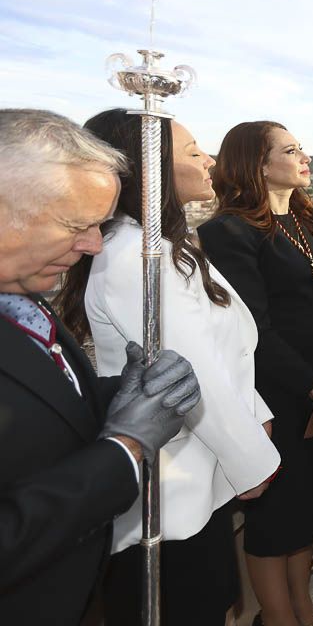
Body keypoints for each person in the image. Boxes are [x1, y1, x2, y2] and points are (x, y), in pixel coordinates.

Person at [56, 110, 281, 625]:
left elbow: (223, 346)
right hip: (168, 491)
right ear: (149, 169)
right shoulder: (132, 257)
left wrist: (255, 410)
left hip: (197, 479)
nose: (209, 160)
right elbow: (189, 366)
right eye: (193, 150)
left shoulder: (160, 247)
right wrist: (253, 459)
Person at [0, 108, 200, 624]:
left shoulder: (25, 291)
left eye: (99, 225)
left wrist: (119, 394)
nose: (93, 244)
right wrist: (124, 449)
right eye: (76, 225)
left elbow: (40, 407)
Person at [199, 121, 313, 626]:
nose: (305, 156)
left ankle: (302, 607)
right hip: (272, 397)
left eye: (302, 147)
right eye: (290, 150)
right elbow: (252, 328)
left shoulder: (308, 223)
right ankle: (278, 617)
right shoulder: (228, 232)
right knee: (274, 518)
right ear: (257, 165)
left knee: (308, 510)